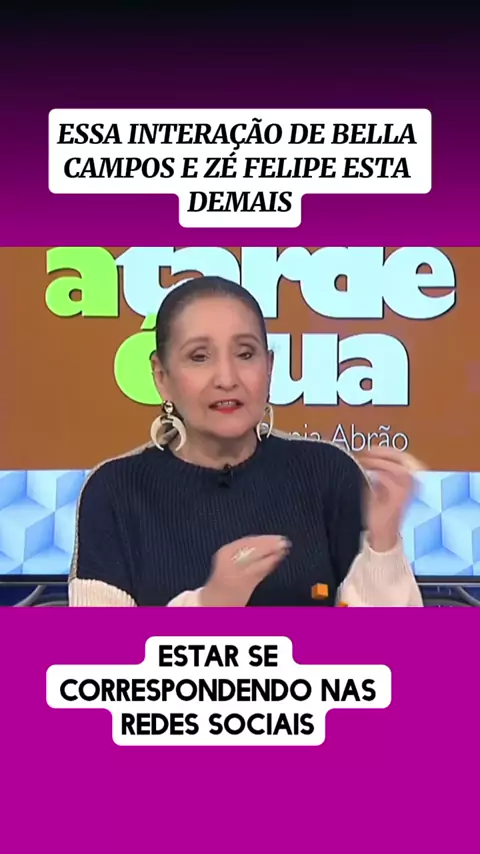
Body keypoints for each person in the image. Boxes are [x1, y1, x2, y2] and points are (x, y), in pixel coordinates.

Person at [69, 276, 423, 608]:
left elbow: (386, 645)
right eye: (199, 357)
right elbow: (97, 648)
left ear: (269, 367)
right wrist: (211, 604)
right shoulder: (115, 490)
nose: (227, 378)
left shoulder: (327, 472)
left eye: (245, 354)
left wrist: (382, 545)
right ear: (162, 377)